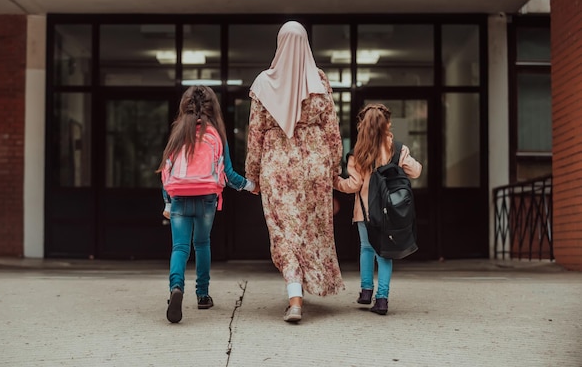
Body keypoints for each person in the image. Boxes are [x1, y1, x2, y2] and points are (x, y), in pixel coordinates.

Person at [245, 21, 344, 323]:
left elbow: (255, 132)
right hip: (314, 163)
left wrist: (252, 174)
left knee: (283, 232)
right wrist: (334, 168)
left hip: (277, 165)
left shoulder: (264, 82)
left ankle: (295, 297)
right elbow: (332, 130)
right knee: (312, 228)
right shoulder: (320, 79)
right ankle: (308, 286)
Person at [158, 85, 255, 324]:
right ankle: (202, 295)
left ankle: (176, 289)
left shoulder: (178, 133)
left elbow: (165, 172)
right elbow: (229, 174)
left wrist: (168, 203)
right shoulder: (217, 135)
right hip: (207, 197)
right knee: (202, 244)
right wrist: (251, 186)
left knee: (180, 248)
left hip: (179, 196)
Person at [334, 103, 422, 315]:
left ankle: (366, 291)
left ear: (361, 125)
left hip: (365, 212)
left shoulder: (358, 153)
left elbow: (353, 185)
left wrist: (335, 182)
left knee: (366, 248)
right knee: (385, 255)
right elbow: (416, 171)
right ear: (387, 124)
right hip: (390, 212)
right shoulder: (398, 149)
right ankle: (381, 300)